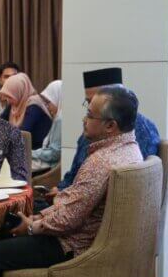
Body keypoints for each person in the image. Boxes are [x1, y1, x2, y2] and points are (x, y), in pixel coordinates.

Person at [0, 86, 143, 277]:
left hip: (73, 247)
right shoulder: (130, 149)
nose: (84, 119)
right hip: (94, 241)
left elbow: (68, 220)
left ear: (110, 126)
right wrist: (38, 218)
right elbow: (75, 205)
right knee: (10, 229)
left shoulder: (101, 162)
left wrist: (32, 226)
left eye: (90, 115)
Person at [47, 67, 160, 198]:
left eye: (95, 100)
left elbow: (130, 184)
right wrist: (61, 189)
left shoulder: (141, 132)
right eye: (88, 102)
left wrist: (65, 197)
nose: (90, 107)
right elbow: (75, 171)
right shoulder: (92, 129)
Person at [0, 73, 52, 149]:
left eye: (10, 97)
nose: (8, 100)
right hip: (21, 148)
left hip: (37, 151)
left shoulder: (34, 106)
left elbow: (23, 132)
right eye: (6, 97)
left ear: (19, 92)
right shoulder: (16, 103)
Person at [32, 80, 62, 170]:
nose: (47, 107)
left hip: (51, 167)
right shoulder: (59, 116)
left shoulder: (60, 119)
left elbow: (54, 154)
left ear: (58, 97)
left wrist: (30, 153)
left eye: (48, 102)